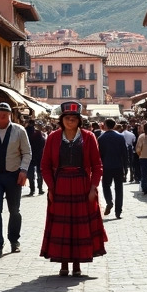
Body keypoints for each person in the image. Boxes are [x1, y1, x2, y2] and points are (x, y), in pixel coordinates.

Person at [40, 101, 107, 276]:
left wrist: (94, 187)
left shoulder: (89, 137)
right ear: (62, 120)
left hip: (82, 185)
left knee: (79, 226)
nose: (71, 121)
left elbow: (97, 165)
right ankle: (63, 264)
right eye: (67, 118)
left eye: (74, 118)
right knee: (62, 227)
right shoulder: (53, 137)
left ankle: (77, 264)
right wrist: (51, 187)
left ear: (79, 120)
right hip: (60, 185)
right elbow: (45, 166)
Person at [0, 102, 33, 259]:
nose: (2, 116)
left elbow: (27, 152)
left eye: (5, 113)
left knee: (14, 210)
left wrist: (23, 170)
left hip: (14, 175)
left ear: (10, 115)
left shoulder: (19, 131)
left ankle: (14, 240)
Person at [97, 117, 128, 219]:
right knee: (119, 189)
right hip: (118, 166)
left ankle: (109, 201)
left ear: (105, 125)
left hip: (106, 167)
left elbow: (99, 155)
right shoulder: (120, 137)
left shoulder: (101, 138)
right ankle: (118, 212)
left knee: (106, 186)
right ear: (114, 125)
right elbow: (125, 153)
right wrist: (126, 168)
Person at [26, 118, 46, 196]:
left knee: (31, 173)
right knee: (39, 172)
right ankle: (40, 189)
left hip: (29, 155)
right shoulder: (38, 133)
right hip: (39, 155)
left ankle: (32, 190)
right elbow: (43, 142)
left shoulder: (25, 132)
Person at [135, 122, 147, 195]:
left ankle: (145, 189)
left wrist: (140, 155)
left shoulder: (141, 137)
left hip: (144, 158)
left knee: (144, 174)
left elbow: (138, 148)